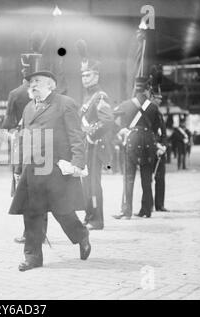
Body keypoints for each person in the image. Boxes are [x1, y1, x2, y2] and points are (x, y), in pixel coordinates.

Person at [9, 70, 90, 272]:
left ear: (50, 85)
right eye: (31, 82)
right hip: (32, 169)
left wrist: (77, 162)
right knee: (31, 213)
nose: (32, 85)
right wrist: (19, 167)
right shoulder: (28, 108)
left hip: (55, 168)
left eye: (37, 81)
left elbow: (76, 135)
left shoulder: (65, 103)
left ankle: (81, 235)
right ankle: (33, 257)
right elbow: (24, 138)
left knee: (62, 211)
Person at [2, 50, 48, 244]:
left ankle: (28, 232)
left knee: (24, 187)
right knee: (41, 187)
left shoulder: (15, 94)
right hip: (45, 144)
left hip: (22, 144)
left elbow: (7, 125)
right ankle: (42, 232)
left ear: (23, 71)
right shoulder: (47, 92)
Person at [112, 76, 164, 219]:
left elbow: (110, 117)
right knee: (147, 178)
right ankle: (146, 210)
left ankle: (126, 211)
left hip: (132, 140)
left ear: (135, 88)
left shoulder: (126, 104)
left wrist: (119, 130)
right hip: (148, 142)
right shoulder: (154, 107)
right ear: (147, 89)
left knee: (128, 178)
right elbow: (157, 128)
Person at [76, 39, 114, 230]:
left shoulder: (100, 96)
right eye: (82, 75)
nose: (84, 78)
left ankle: (97, 219)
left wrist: (91, 135)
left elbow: (108, 121)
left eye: (88, 74)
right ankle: (89, 215)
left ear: (96, 76)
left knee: (93, 185)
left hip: (95, 146)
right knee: (85, 185)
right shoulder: (87, 97)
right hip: (86, 148)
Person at [151, 89, 169, 212]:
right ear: (152, 97)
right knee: (147, 180)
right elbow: (147, 133)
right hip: (150, 150)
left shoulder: (160, 114)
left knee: (160, 179)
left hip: (160, 151)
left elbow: (163, 133)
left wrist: (163, 146)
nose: (160, 100)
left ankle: (159, 205)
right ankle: (147, 206)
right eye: (158, 97)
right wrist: (156, 146)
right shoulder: (147, 112)